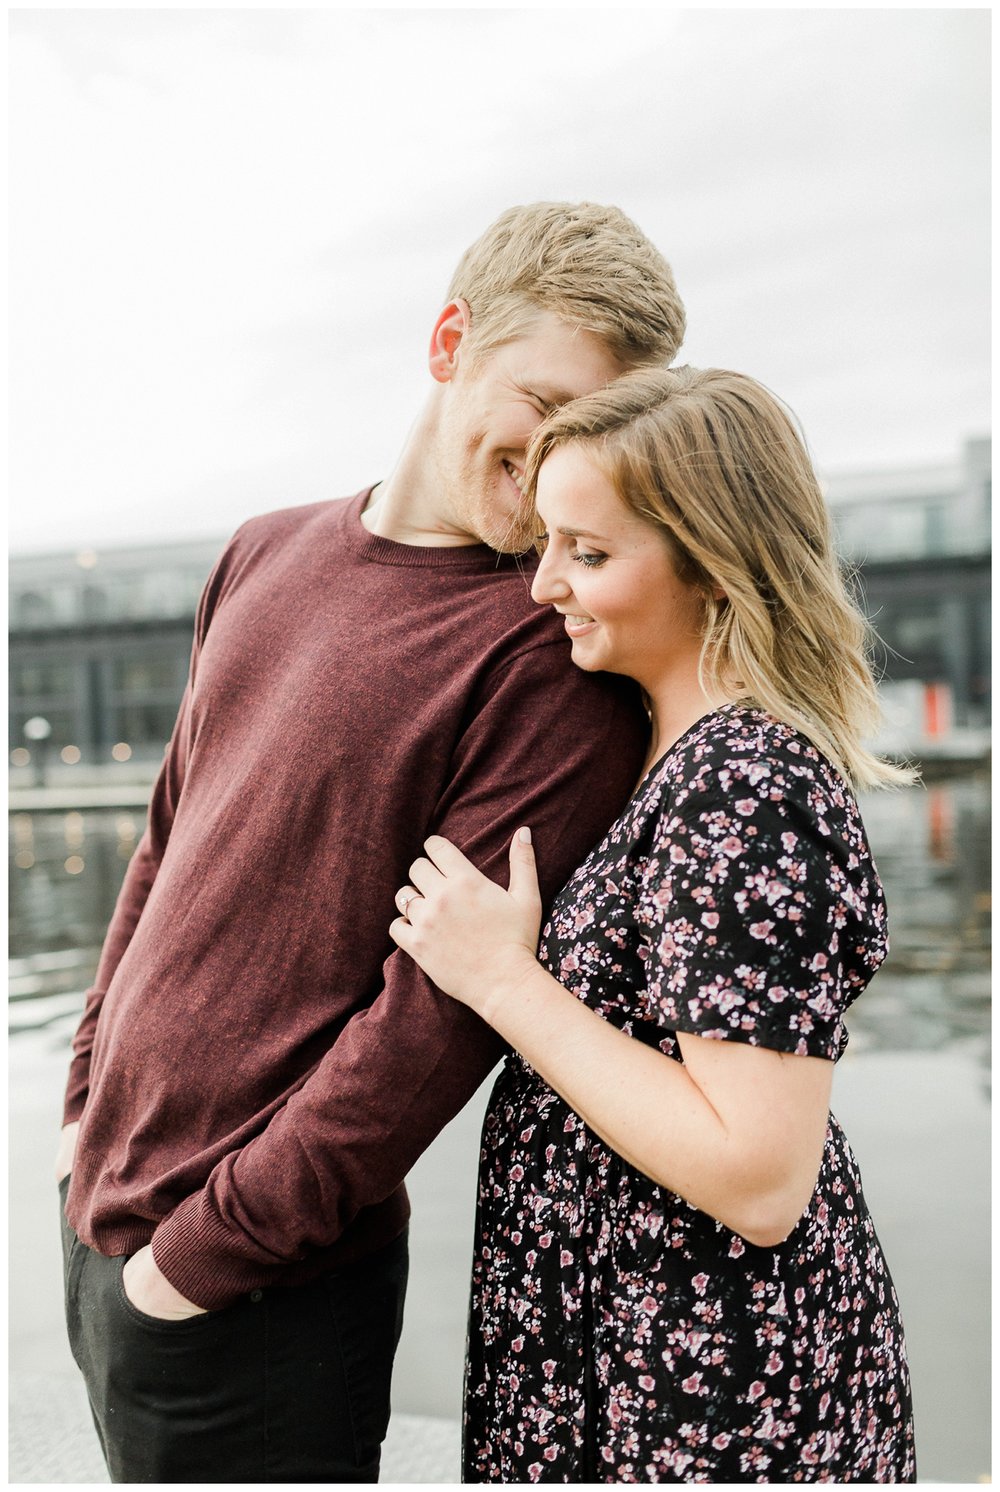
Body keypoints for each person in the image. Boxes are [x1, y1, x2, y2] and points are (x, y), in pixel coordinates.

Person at [55, 203, 687, 1483]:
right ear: (450, 339)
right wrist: (83, 1093)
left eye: (595, 431)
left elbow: (429, 1026)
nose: (559, 457)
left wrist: (199, 1260)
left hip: (262, 1287)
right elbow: (168, 838)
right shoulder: (261, 549)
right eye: (543, 403)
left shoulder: (546, 661)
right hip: (102, 1219)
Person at [390, 365, 918, 1484]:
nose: (543, 585)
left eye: (587, 552)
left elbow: (759, 1176)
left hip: (704, 1399)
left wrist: (505, 980)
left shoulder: (743, 781)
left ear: (713, 565)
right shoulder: (676, 764)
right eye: (547, 545)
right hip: (637, 1356)